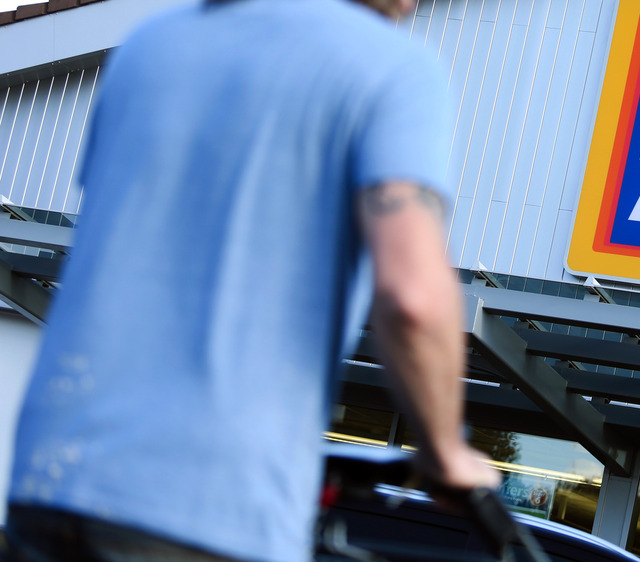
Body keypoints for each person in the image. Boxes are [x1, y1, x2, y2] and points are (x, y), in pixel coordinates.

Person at [3, 0, 498, 560]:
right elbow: (412, 297)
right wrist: (443, 451)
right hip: (208, 510)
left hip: (51, 482)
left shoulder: (151, 45)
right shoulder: (390, 67)